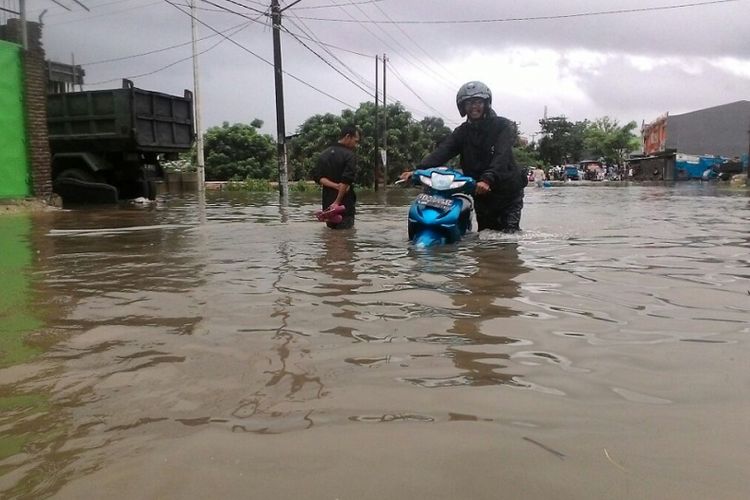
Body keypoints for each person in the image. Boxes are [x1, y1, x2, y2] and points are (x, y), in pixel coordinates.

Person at [399, 81, 527, 233]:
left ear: (486, 103)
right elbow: (442, 151)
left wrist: (487, 179)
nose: (474, 107)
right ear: (463, 107)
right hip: (481, 193)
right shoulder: (462, 132)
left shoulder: (503, 126)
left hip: (507, 192)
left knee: (508, 238)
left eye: (478, 102)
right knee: (485, 237)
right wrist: (417, 171)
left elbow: (502, 155)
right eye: (469, 103)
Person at [313, 124, 361, 229]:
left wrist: (335, 186)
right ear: (348, 137)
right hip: (344, 206)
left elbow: (319, 177)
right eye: (356, 141)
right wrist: (337, 202)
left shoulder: (324, 154)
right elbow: (346, 181)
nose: (356, 145)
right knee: (345, 236)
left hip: (328, 207)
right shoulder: (349, 155)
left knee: (331, 238)